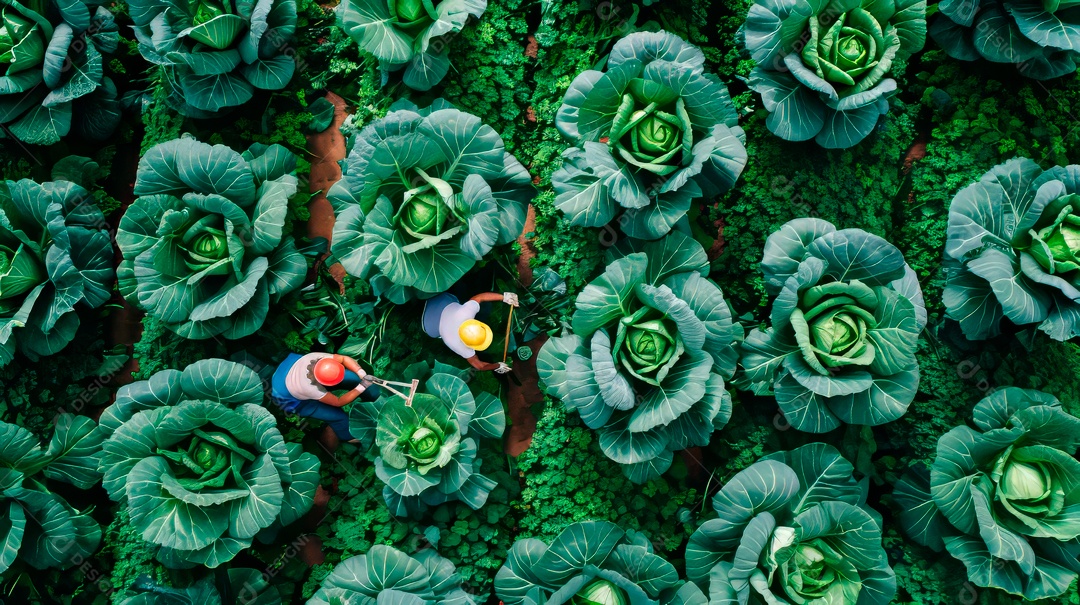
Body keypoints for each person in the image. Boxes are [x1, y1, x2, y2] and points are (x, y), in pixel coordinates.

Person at [270, 352, 380, 445]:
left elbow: (343, 358)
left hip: (292, 364)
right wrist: (362, 386)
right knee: (337, 416)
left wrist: (361, 374)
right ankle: (350, 437)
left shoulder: (316, 358)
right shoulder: (309, 388)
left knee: (353, 377)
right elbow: (338, 402)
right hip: (289, 397)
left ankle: (376, 396)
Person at [422, 291, 519, 373]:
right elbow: (479, 366)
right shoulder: (460, 347)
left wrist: (505, 297)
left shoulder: (466, 312)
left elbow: (479, 297)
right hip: (431, 323)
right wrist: (497, 366)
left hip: (441, 303)